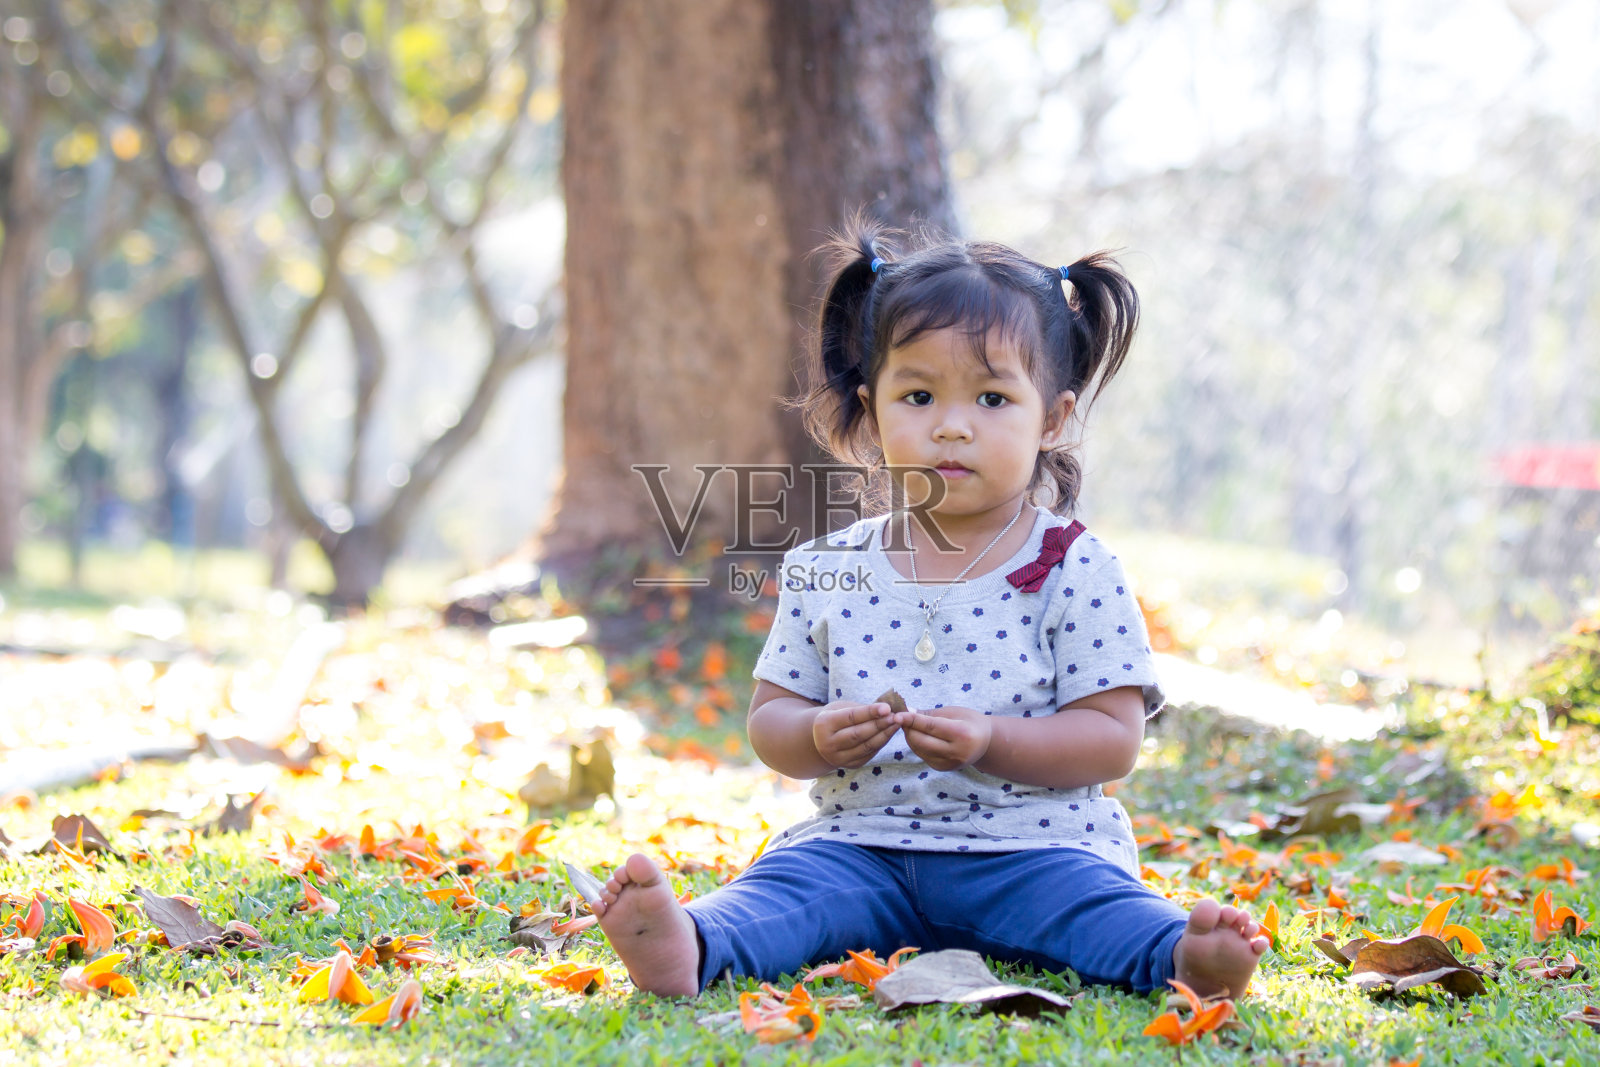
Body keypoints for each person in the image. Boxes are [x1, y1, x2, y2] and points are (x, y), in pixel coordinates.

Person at [592, 220, 1268, 1000]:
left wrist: (992, 739)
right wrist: (816, 734)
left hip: (1032, 850)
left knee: (1097, 910)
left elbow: (1113, 741)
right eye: (918, 395)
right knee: (783, 890)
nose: (951, 423)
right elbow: (771, 718)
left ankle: (1182, 958)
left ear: (1051, 418)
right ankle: (694, 943)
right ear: (871, 410)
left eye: (991, 397)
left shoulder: (1075, 566)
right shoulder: (827, 567)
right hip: (861, 847)